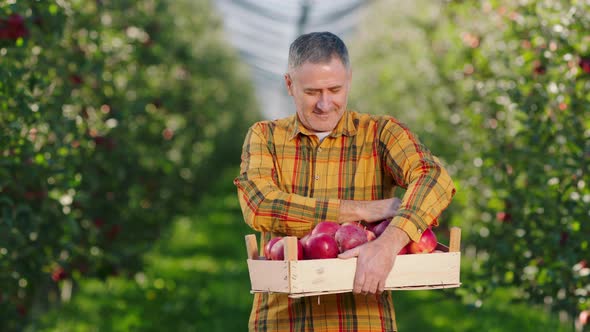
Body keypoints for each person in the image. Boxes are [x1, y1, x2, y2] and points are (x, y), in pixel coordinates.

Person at [234, 31, 456, 332]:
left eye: (335, 89)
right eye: (312, 92)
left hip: (359, 320)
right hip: (284, 321)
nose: (325, 104)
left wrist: (388, 243)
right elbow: (260, 206)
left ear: (349, 79)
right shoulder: (265, 136)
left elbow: (435, 178)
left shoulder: (380, 134)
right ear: (289, 85)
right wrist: (361, 211)